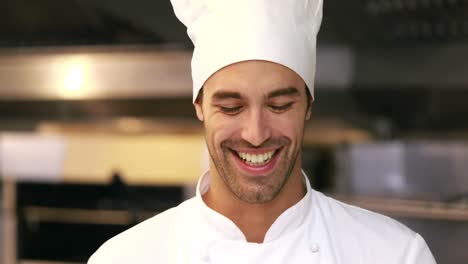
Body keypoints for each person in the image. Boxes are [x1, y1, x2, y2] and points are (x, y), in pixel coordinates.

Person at [88, 0, 437, 263]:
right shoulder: (125, 258)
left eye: (279, 105)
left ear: (309, 104)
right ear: (199, 106)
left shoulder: (395, 255)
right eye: (231, 106)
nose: (256, 134)